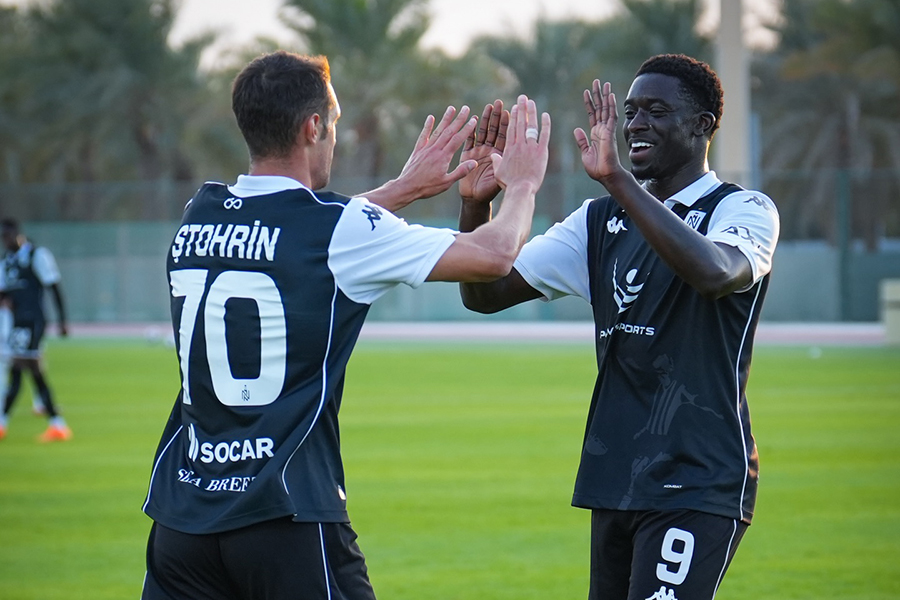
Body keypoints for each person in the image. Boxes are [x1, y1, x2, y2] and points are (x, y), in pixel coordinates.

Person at [140, 50, 550, 600]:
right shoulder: (340, 229)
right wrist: (522, 185)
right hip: (285, 515)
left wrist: (401, 190)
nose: (333, 137)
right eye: (333, 125)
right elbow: (495, 255)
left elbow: (298, 235)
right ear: (313, 127)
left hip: (181, 518)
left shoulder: (200, 211)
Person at [458, 54, 779, 600]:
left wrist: (617, 180)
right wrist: (476, 207)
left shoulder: (743, 209)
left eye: (656, 111)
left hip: (698, 476)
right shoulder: (598, 220)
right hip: (617, 476)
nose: (635, 125)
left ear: (702, 125)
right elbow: (484, 294)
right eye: (630, 112)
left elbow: (715, 273)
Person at [0, 218, 70, 442]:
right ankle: (56, 424)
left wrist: (62, 320)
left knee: (20, 370)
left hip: (33, 322)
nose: (6, 241)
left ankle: (5, 423)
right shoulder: (6, 262)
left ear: (17, 234)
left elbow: (54, 287)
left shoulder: (37, 256)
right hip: (16, 324)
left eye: (8, 236)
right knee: (29, 371)